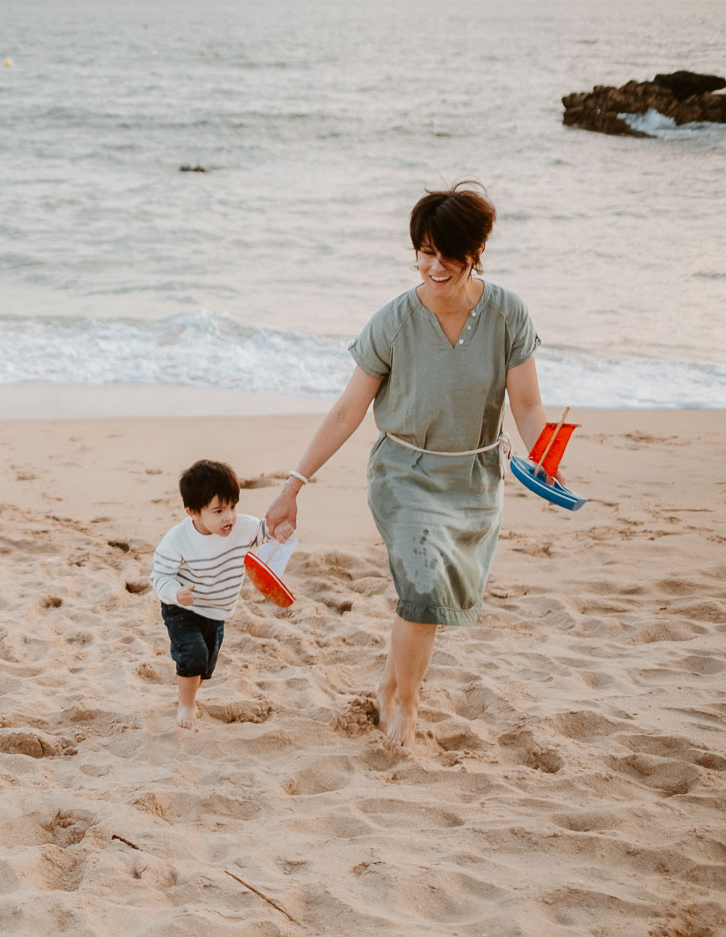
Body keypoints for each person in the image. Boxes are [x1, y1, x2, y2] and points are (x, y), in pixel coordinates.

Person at [263, 182, 551, 750]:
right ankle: (407, 706)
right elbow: (349, 410)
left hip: (474, 479)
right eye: (424, 252)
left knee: (432, 604)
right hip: (404, 476)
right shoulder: (394, 320)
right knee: (421, 592)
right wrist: (294, 484)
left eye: (447, 255)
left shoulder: (507, 312)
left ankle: (389, 683)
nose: (434, 266)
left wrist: (545, 459)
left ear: (476, 252)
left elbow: (527, 403)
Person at [149, 459, 273, 729]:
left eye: (232, 507)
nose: (228, 517)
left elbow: (267, 531)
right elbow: (159, 576)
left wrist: (280, 529)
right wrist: (176, 592)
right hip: (182, 607)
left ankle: (189, 691)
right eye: (218, 511)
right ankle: (185, 704)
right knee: (192, 654)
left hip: (217, 610)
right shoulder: (177, 540)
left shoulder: (242, 527)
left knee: (207, 664)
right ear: (193, 511)